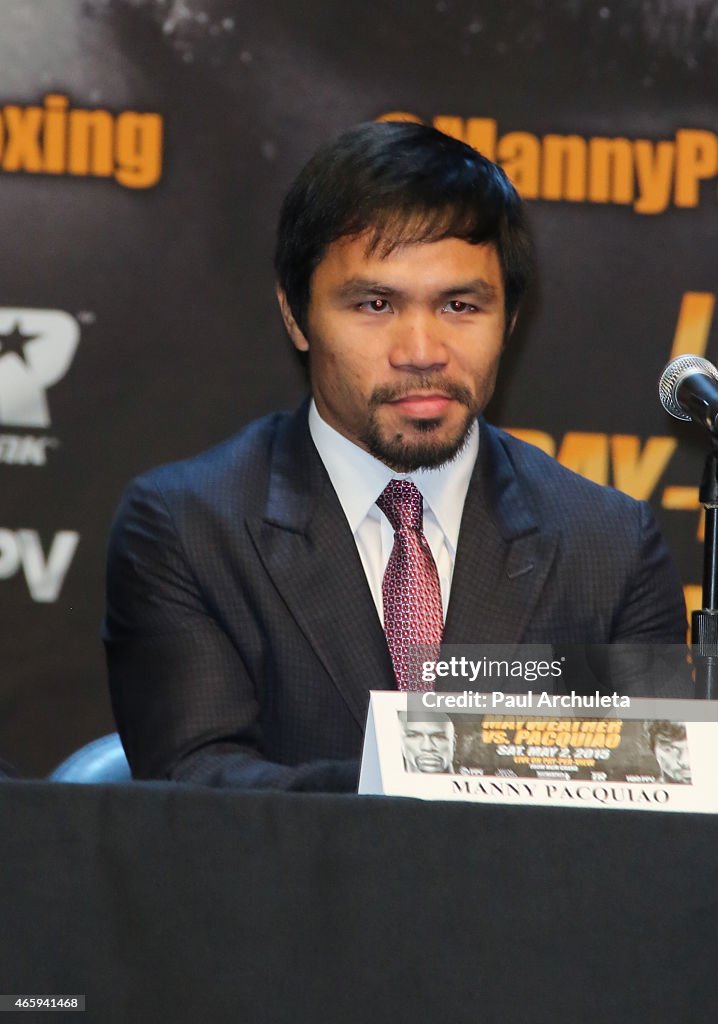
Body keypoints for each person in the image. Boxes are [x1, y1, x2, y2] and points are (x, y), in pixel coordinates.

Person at [104, 121, 687, 792]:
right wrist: (422, 782)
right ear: (296, 315)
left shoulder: (610, 548)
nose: (421, 350)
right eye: (375, 304)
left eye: (460, 305)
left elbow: (653, 816)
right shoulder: (187, 527)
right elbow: (195, 787)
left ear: (511, 319)